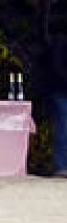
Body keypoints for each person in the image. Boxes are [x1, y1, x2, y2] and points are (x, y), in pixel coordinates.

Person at [47, 32, 67, 177]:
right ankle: (61, 167)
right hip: (61, 91)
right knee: (63, 129)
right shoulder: (60, 40)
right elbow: (57, 67)